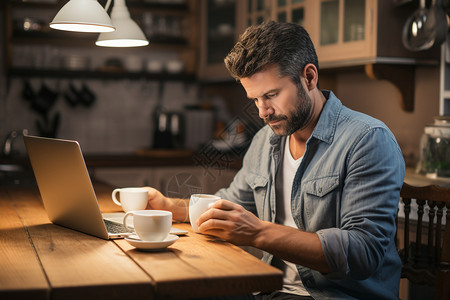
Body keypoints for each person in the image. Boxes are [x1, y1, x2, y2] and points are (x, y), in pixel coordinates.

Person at [145, 21, 405, 300]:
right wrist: (168, 206)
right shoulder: (264, 142)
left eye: (271, 95)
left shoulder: (367, 140)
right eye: (255, 99)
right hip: (269, 290)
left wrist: (258, 234)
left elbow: (363, 252)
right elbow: (229, 204)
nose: (263, 112)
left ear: (309, 77)